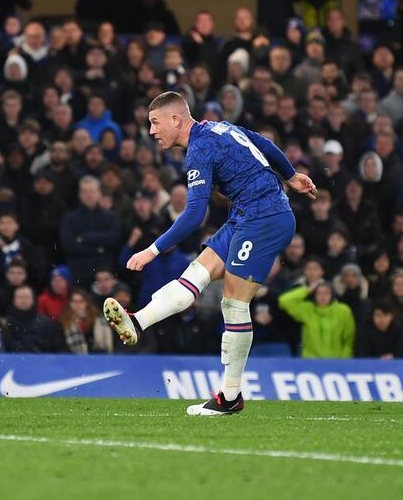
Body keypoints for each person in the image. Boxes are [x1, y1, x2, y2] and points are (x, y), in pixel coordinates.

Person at [104, 91, 316, 416]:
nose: (151, 131)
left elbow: (193, 215)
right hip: (245, 216)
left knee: (233, 303)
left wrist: (151, 250)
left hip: (265, 218)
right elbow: (266, 145)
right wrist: (291, 175)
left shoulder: (199, 149)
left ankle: (229, 397)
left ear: (176, 119)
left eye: (155, 123)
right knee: (195, 275)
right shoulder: (220, 127)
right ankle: (138, 322)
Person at [276, 281, 356, 358]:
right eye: (319, 293)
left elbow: (349, 340)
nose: (322, 297)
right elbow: (284, 301)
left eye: (326, 293)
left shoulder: (343, 311)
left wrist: (344, 362)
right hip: (311, 363)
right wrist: (307, 290)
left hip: (336, 362)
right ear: (314, 295)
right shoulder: (308, 309)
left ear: (332, 295)